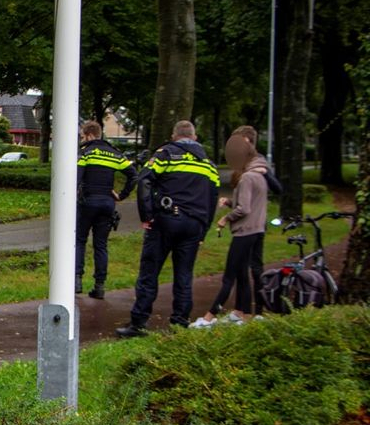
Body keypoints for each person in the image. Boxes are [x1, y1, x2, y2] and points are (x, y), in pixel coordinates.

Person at [116, 120, 220, 337]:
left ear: (174, 136)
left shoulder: (166, 154)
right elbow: (213, 198)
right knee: (184, 274)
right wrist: (204, 230)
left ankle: (139, 322)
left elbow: (145, 180)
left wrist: (146, 215)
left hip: (166, 220)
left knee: (150, 271)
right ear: (195, 137)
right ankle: (179, 324)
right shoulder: (208, 164)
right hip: (194, 226)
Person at [191, 134, 269, 327]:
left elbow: (244, 209)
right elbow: (250, 203)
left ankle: (209, 317)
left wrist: (225, 218)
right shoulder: (260, 175)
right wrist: (230, 203)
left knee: (229, 276)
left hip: (244, 232)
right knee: (243, 274)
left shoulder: (247, 178)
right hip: (257, 230)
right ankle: (245, 314)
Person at [75, 120, 138, 299]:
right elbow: (133, 176)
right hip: (107, 204)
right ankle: (99, 286)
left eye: (82, 136)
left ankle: (77, 280)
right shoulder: (115, 153)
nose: (81, 139)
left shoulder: (85, 152)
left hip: (88, 202)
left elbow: (77, 177)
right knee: (101, 245)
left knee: (80, 240)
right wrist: (122, 195)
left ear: (88, 134)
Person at [232, 124, 283, 315]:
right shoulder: (242, 164)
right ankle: (242, 310)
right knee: (242, 268)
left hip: (254, 225)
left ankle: (259, 311)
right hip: (245, 223)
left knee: (253, 267)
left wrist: (266, 175)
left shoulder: (258, 164)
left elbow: (278, 189)